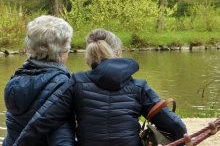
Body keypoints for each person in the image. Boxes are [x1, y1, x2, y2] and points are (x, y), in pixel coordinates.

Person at [13, 29, 187, 146]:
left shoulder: (76, 82)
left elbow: (41, 122)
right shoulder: (139, 87)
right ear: (119, 54)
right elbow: (177, 128)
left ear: (88, 60)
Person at [3, 15, 75, 146]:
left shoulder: (14, 81)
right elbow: (62, 139)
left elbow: (14, 130)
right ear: (62, 51)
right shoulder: (63, 84)